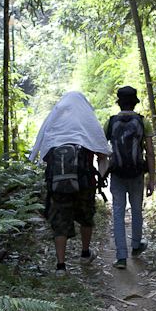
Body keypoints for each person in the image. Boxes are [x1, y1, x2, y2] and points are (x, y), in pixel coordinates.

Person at [29, 91, 111, 277]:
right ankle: (84, 254)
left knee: (59, 222)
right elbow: (103, 157)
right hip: (84, 183)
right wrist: (100, 178)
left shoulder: (54, 126)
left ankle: (60, 267)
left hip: (57, 186)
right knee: (86, 217)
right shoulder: (88, 125)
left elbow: (45, 157)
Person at [105, 86, 155, 269]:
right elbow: (150, 153)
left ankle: (121, 257)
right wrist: (152, 179)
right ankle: (135, 246)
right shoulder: (143, 122)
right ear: (135, 102)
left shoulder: (110, 122)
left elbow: (102, 150)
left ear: (119, 103)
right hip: (137, 174)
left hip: (117, 174)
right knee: (136, 210)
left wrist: (103, 171)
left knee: (117, 214)